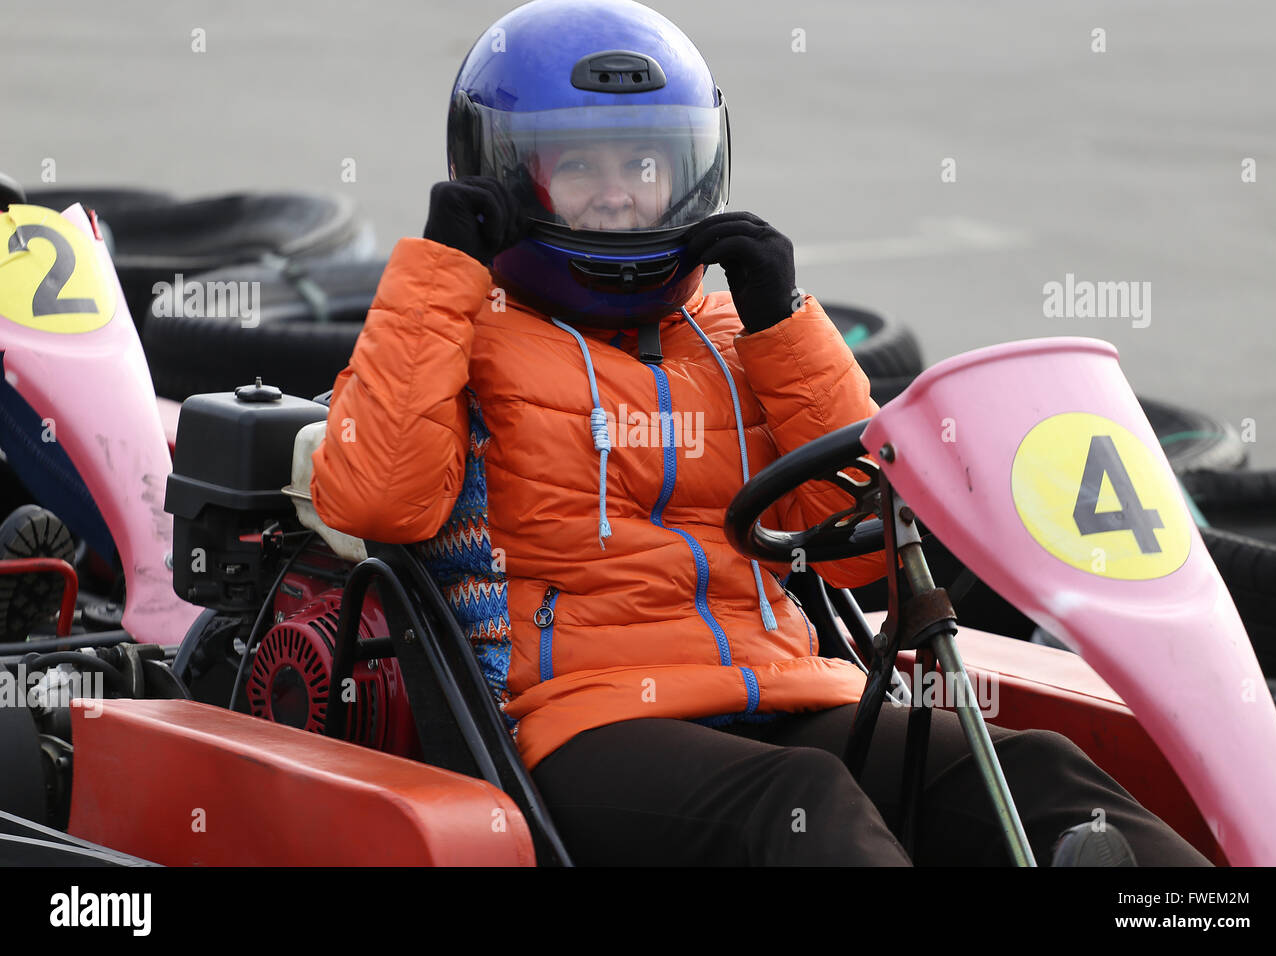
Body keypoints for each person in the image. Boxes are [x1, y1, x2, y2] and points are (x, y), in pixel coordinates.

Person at [311, 0, 1210, 866]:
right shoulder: (457, 332)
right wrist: (440, 272)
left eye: (644, 165)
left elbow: (866, 554)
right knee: (802, 805)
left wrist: (786, 328)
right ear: (506, 178)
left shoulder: (737, 334)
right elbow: (373, 495)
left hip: (788, 694)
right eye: (581, 167)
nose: (620, 198)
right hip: (583, 723)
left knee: (1035, 773)